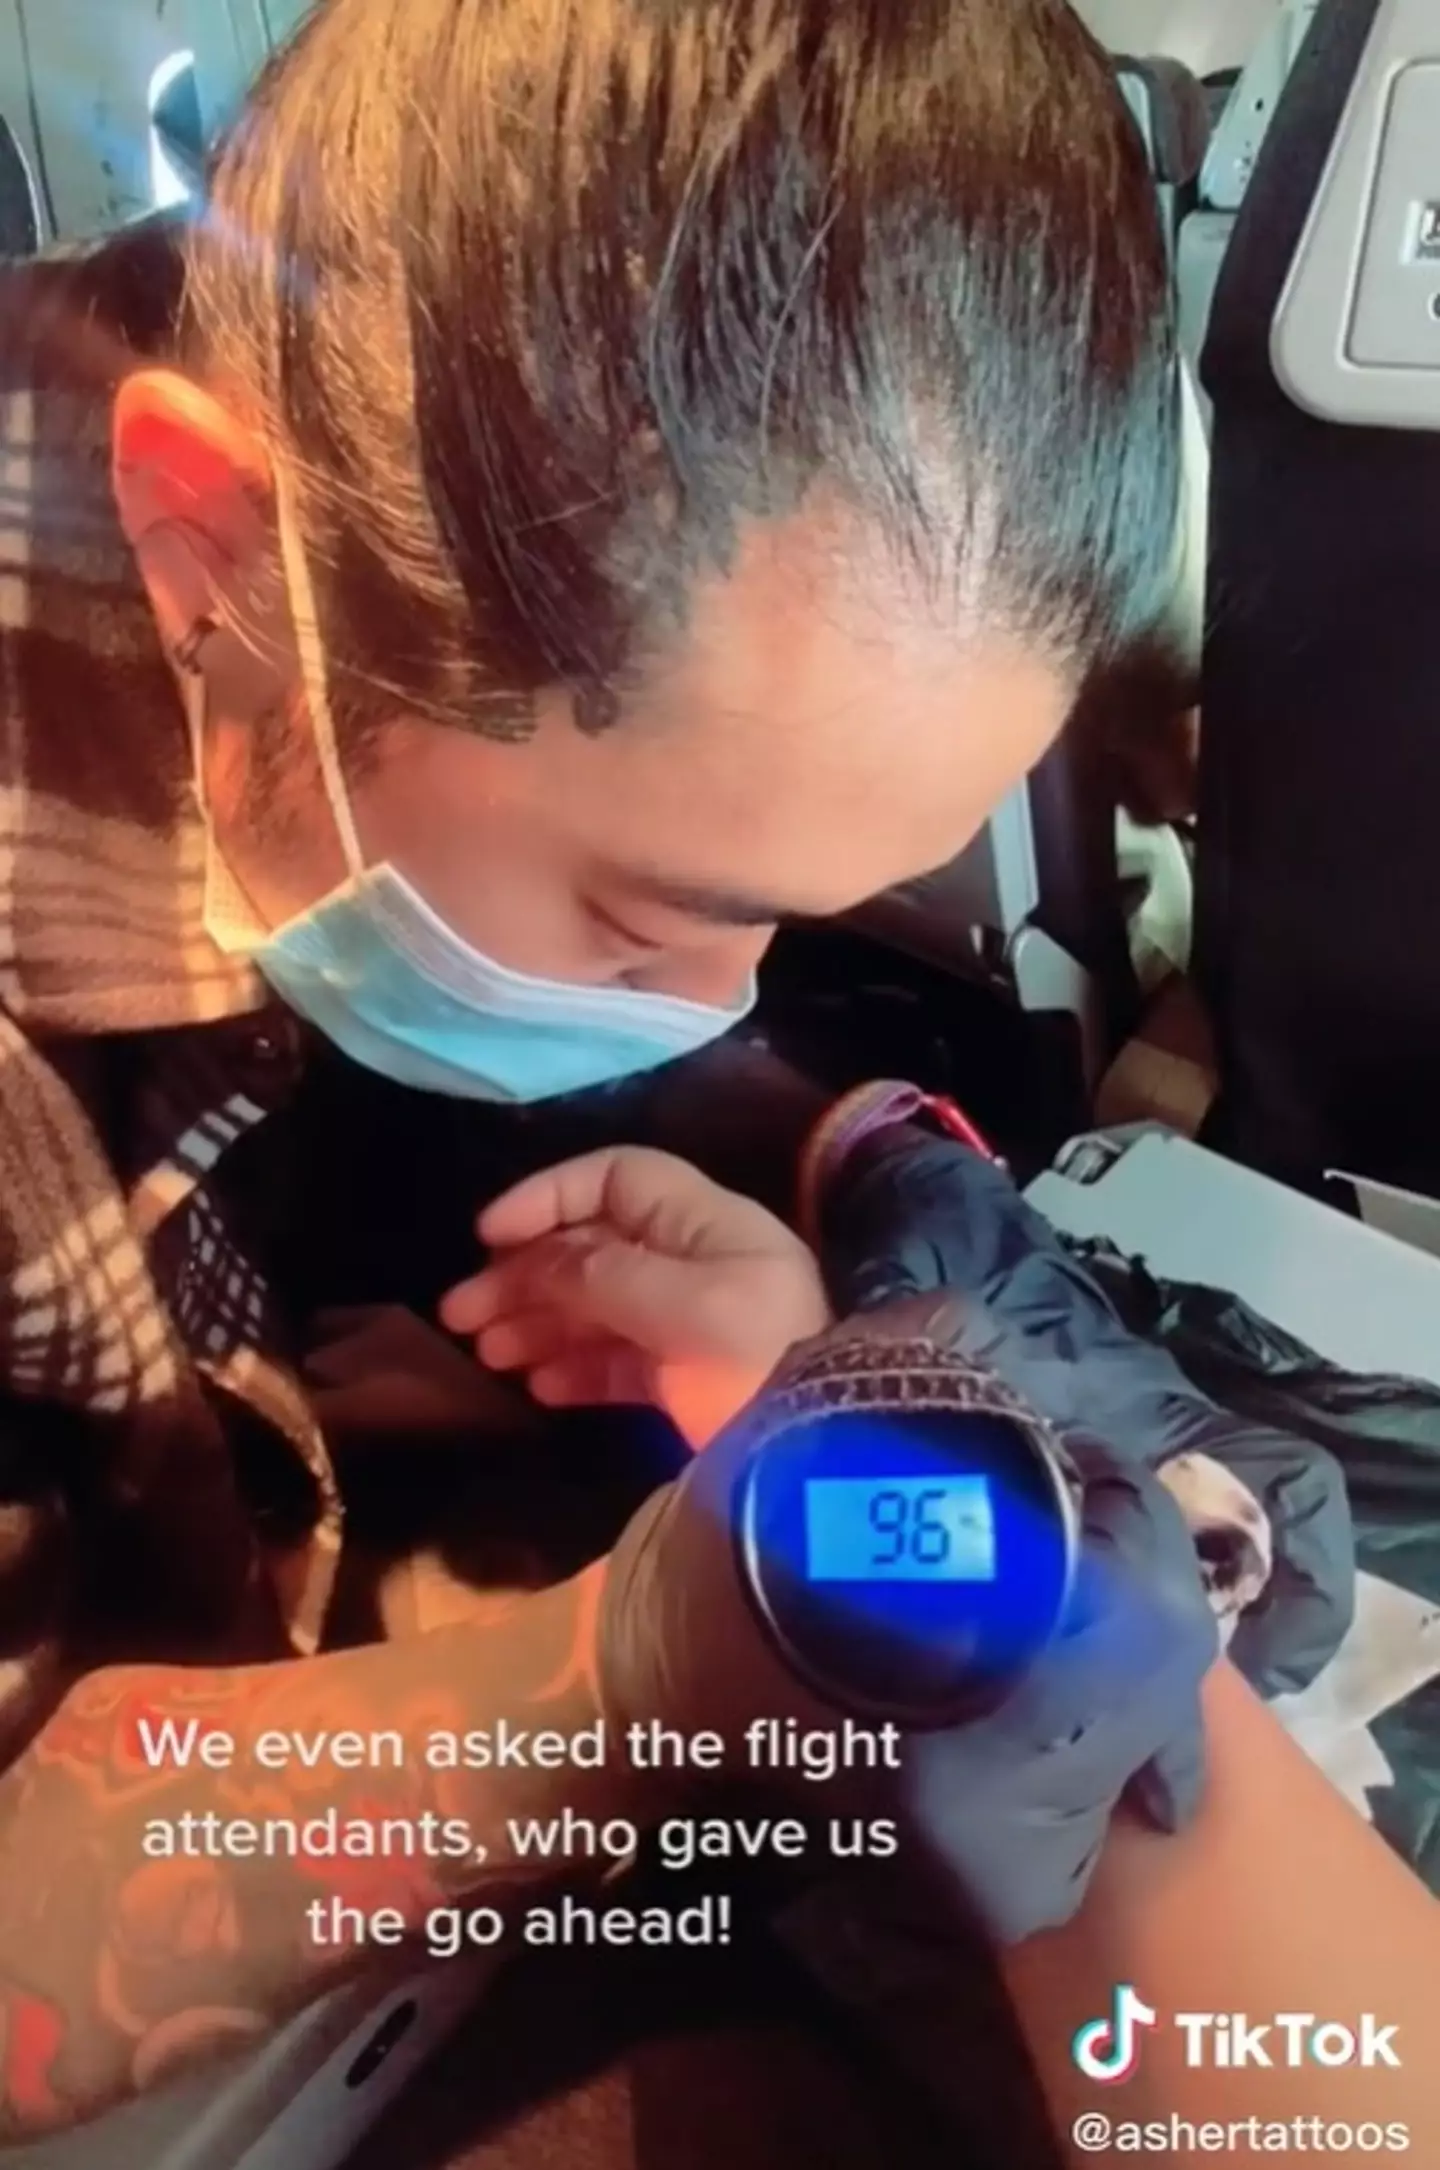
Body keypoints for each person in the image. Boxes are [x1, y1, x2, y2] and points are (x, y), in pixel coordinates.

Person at [0, 0, 1349, 2145]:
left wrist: (899, 1214)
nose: (714, 1007)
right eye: (644, 919)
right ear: (207, 555)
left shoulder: (353, 555)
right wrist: (621, 1679)